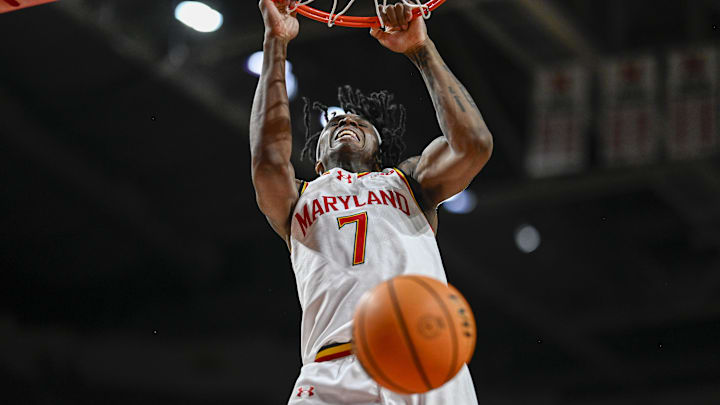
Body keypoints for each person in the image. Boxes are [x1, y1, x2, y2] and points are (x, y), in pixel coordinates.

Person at [250, 1, 493, 403]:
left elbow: (473, 145)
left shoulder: (409, 181)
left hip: (426, 357)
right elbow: (267, 158)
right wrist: (276, 41)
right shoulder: (298, 196)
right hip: (332, 370)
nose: (346, 122)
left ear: (380, 150)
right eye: (334, 124)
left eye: (360, 122)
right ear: (316, 159)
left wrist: (420, 49)